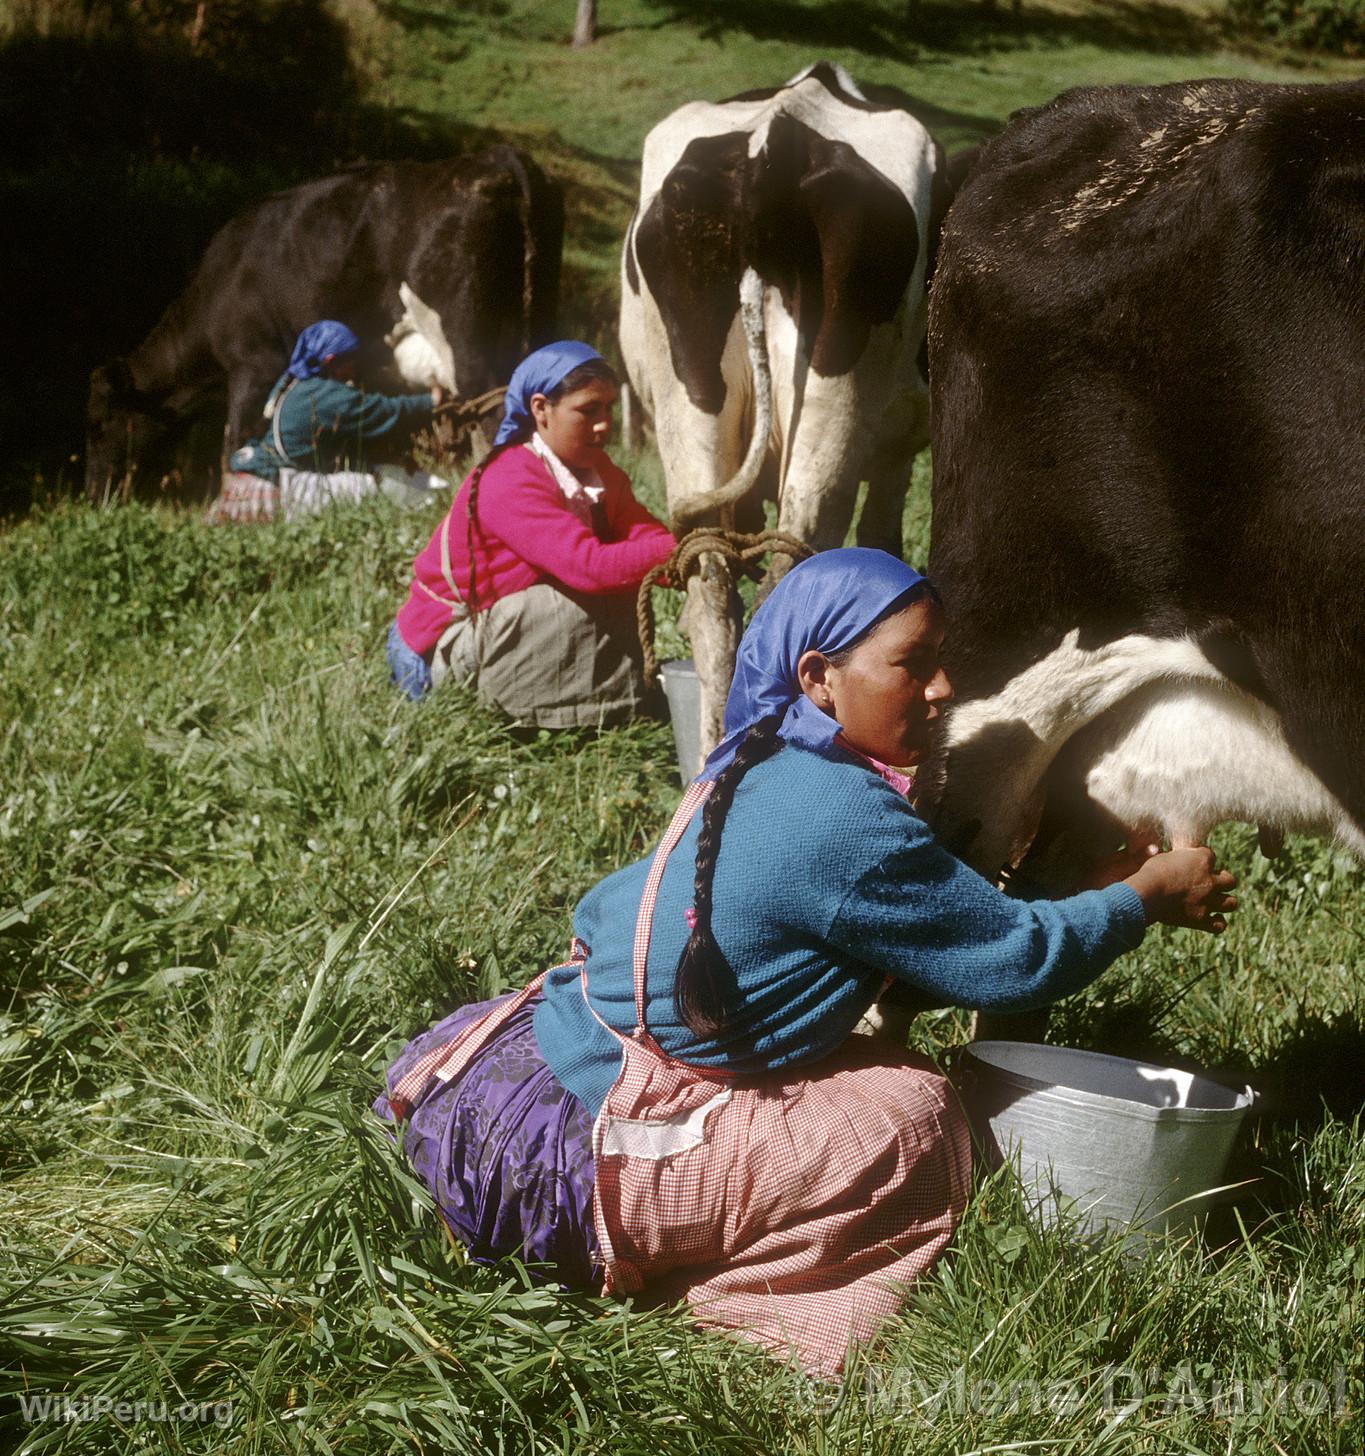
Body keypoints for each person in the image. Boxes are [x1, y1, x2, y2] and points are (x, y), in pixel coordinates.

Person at [374, 548, 1238, 1379]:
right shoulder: (842, 816)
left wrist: (1088, 887)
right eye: (912, 664)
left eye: (941, 660)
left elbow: (615, 918)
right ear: (818, 677)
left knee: (868, 1073)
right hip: (553, 1176)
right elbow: (1014, 961)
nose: (941, 689)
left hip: (479, 1094)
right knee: (913, 1117)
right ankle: (737, 1322)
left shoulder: (756, 760)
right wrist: (1146, 895)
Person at [387, 341, 676, 724]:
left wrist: (692, 559)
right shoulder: (510, 477)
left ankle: (596, 707)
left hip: (492, 630)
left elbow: (644, 534)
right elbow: (589, 566)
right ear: (541, 408)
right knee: (571, 600)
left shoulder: (598, 471)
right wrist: (679, 550)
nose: (604, 423)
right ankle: (514, 717)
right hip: (433, 652)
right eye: (588, 410)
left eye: (608, 408)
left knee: (615, 582)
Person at [210, 321, 442, 523]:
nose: (353, 370)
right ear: (331, 361)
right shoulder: (322, 395)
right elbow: (381, 411)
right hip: (276, 489)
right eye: (350, 362)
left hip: (245, 484)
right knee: (374, 487)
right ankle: (432, 505)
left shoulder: (292, 384)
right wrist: (430, 400)